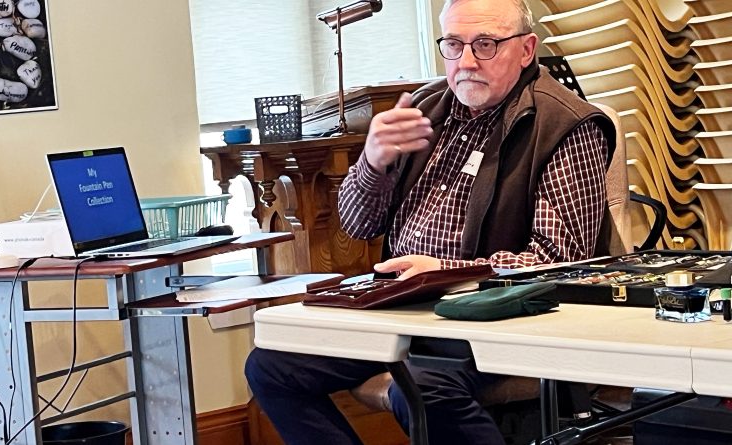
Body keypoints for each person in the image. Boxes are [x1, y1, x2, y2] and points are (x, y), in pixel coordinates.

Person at [245, 0, 615, 443]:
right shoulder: (426, 108)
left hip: (491, 315)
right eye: (454, 45)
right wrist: (373, 161)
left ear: (526, 49)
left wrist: (445, 274)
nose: (466, 62)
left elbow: (559, 262)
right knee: (272, 364)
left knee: (422, 388)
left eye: (486, 44)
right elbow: (360, 225)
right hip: (405, 306)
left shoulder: (565, 124)